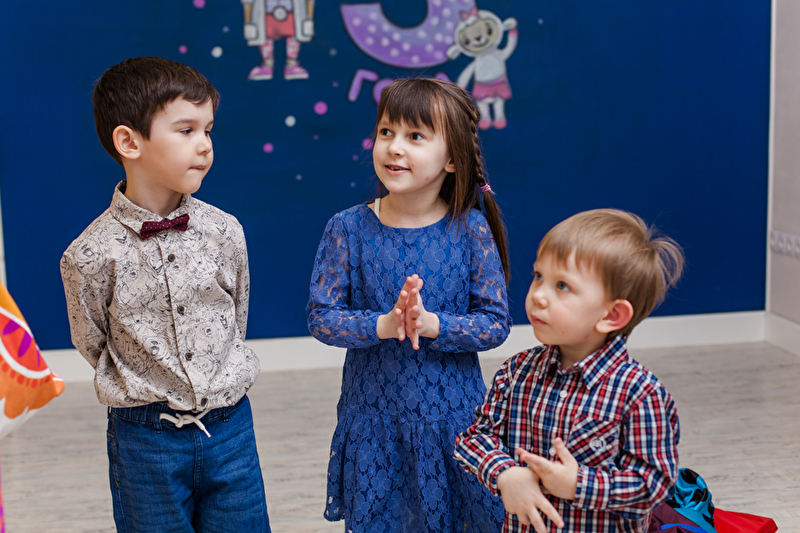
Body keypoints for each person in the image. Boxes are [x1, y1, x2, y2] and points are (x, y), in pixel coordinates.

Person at [60, 57, 270, 533]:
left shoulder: (225, 231)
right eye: (186, 130)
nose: (205, 145)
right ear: (129, 142)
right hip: (145, 439)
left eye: (208, 130)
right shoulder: (89, 254)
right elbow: (92, 340)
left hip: (230, 429)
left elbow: (236, 317)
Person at [306, 77, 511, 532]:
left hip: (455, 422)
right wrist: (383, 325)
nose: (394, 147)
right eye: (386, 132)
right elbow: (322, 316)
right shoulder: (348, 228)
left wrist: (434, 324)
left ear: (452, 159)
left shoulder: (470, 229)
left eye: (415, 136)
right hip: (374, 423)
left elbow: (495, 324)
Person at [454, 209, 685, 533]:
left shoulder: (641, 395)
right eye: (538, 276)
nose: (538, 295)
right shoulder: (516, 371)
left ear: (612, 315)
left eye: (562, 285)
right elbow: (474, 439)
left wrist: (579, 484)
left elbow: (653, 485)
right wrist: (505, 473)